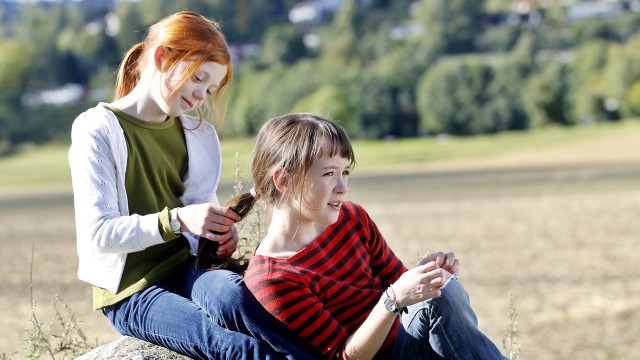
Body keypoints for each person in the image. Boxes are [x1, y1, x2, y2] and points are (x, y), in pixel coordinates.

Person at [68, 11, 318, 360]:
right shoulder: (97, 129)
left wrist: (216, 235)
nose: (201, 95)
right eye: (197, 78)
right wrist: (178, 220)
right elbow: (100, 234)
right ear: (161, 58)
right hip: (132, 291)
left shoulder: (199, 135)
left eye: (210, 88)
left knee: (235, 298)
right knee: (236, 348)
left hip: (189, 267)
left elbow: (197, 215)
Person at [227, 113, 508, 359]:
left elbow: (398, 282)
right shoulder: (272, 279)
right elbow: (343, 356)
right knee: (438, 299)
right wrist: (393, 300)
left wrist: (424, 274)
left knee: (441, 286)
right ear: (283, 180)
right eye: (329, 174)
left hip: (408, 341)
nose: (342, 187)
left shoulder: (352, 218)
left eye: (345, 172)